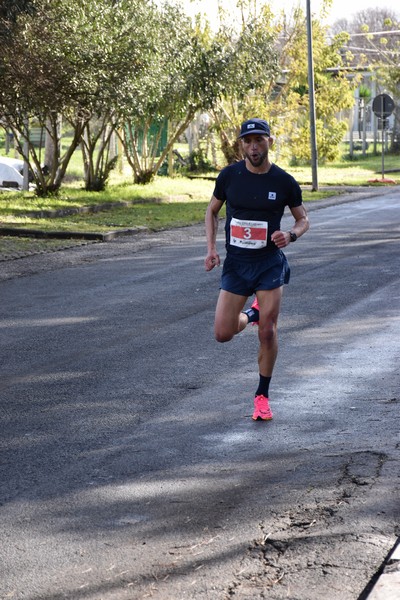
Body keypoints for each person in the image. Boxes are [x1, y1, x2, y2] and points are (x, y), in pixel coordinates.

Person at [204, 118, 309, 421]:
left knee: (268, 331)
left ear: (269, 142)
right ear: (241, 145)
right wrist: (211, 249)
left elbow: (304, 219)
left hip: (268, 264)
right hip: (237, 265)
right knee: (222, 333)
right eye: (248, 141)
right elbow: (212, 211)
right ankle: (252, 313)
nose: (253, 146)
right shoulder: (229, 176)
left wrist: (290, 235)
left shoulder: (284, 181)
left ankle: (262, 395)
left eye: (259, 140)